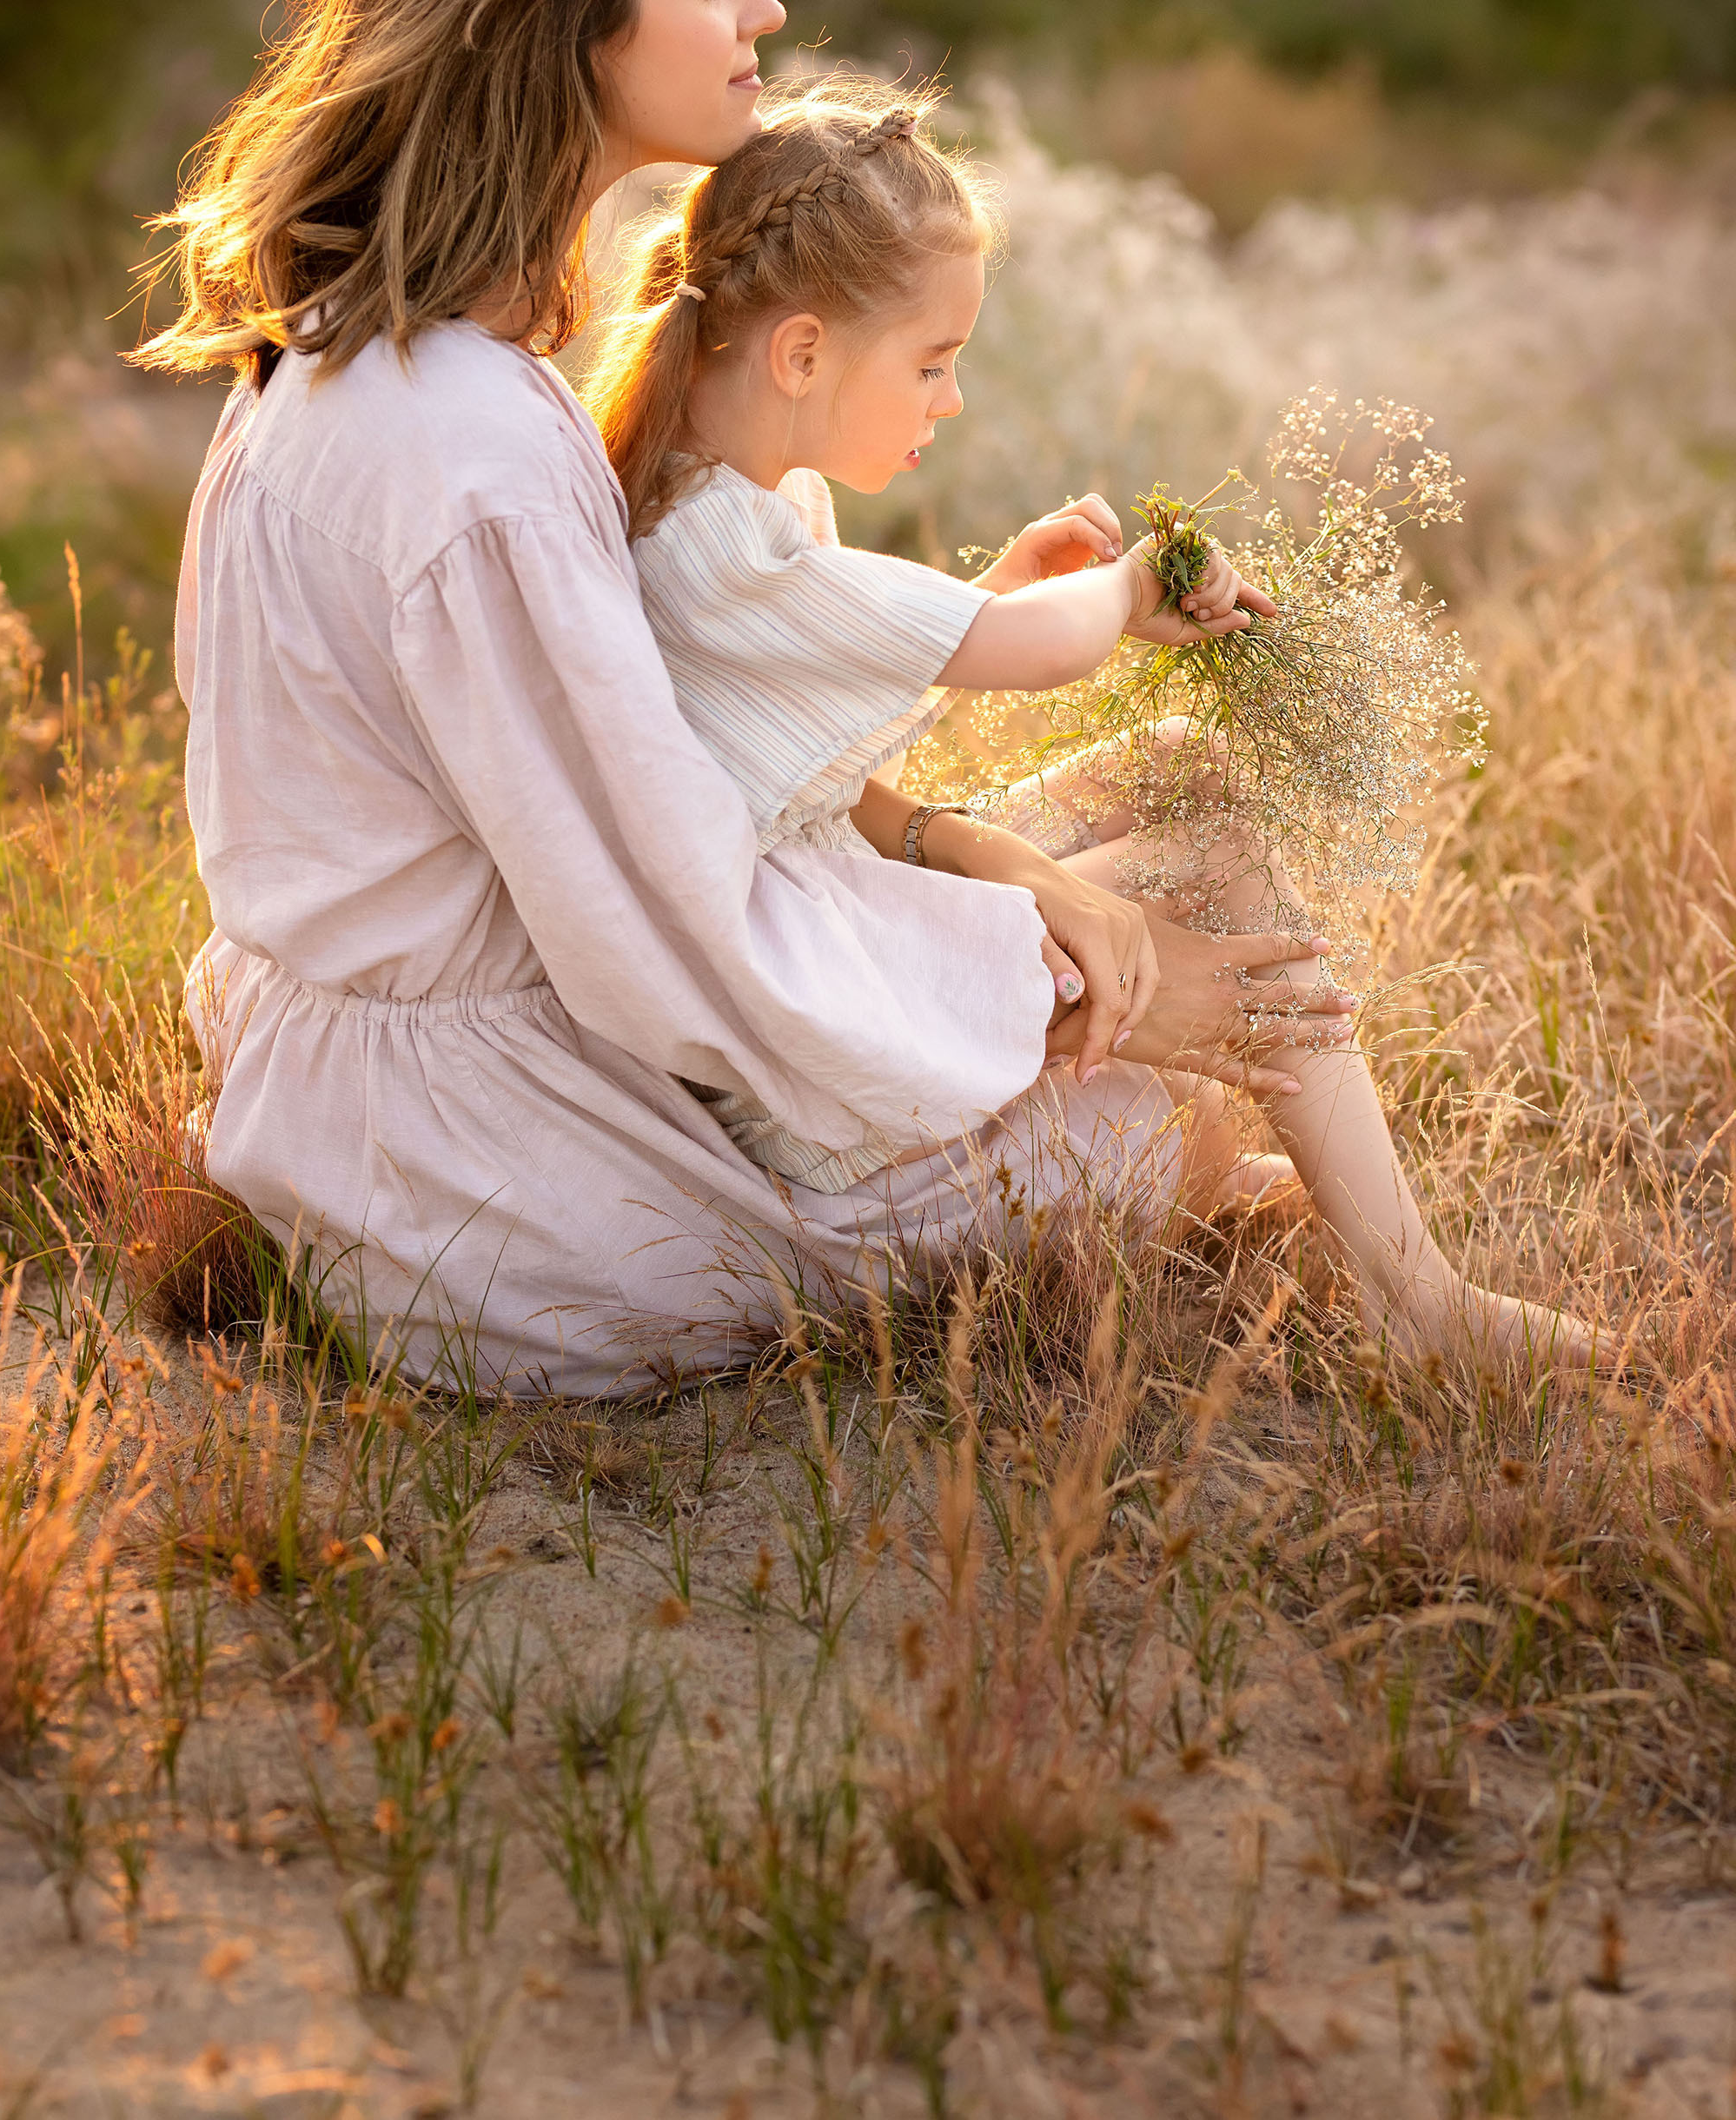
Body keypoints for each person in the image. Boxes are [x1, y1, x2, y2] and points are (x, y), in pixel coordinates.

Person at [136, 0, 1463, 1396]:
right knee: (1166, 1112)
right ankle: (1378, 1285)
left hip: (450, 1091)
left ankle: (1245, 1187)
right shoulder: (470, 455)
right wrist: (1056, 995)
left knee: (1158, 828)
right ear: (562, 26)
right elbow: (685, 936)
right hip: (503, 1196)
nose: (764, 13)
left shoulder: (370, 360)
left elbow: (681, 763)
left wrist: (1006, 865)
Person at [586, 76, 1596, 1368]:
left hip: (834, 927)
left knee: (1181, 766)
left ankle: (1344, 1210)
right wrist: (1118, 592)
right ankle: (1412, 1294)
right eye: (934, 363)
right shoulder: (717, 543)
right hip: (817, 1042)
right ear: (801, 353)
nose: (950, 400)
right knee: (1213, 860)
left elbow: (806, 744)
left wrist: (1001, 593)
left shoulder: (726, 488)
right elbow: (1032, 656)